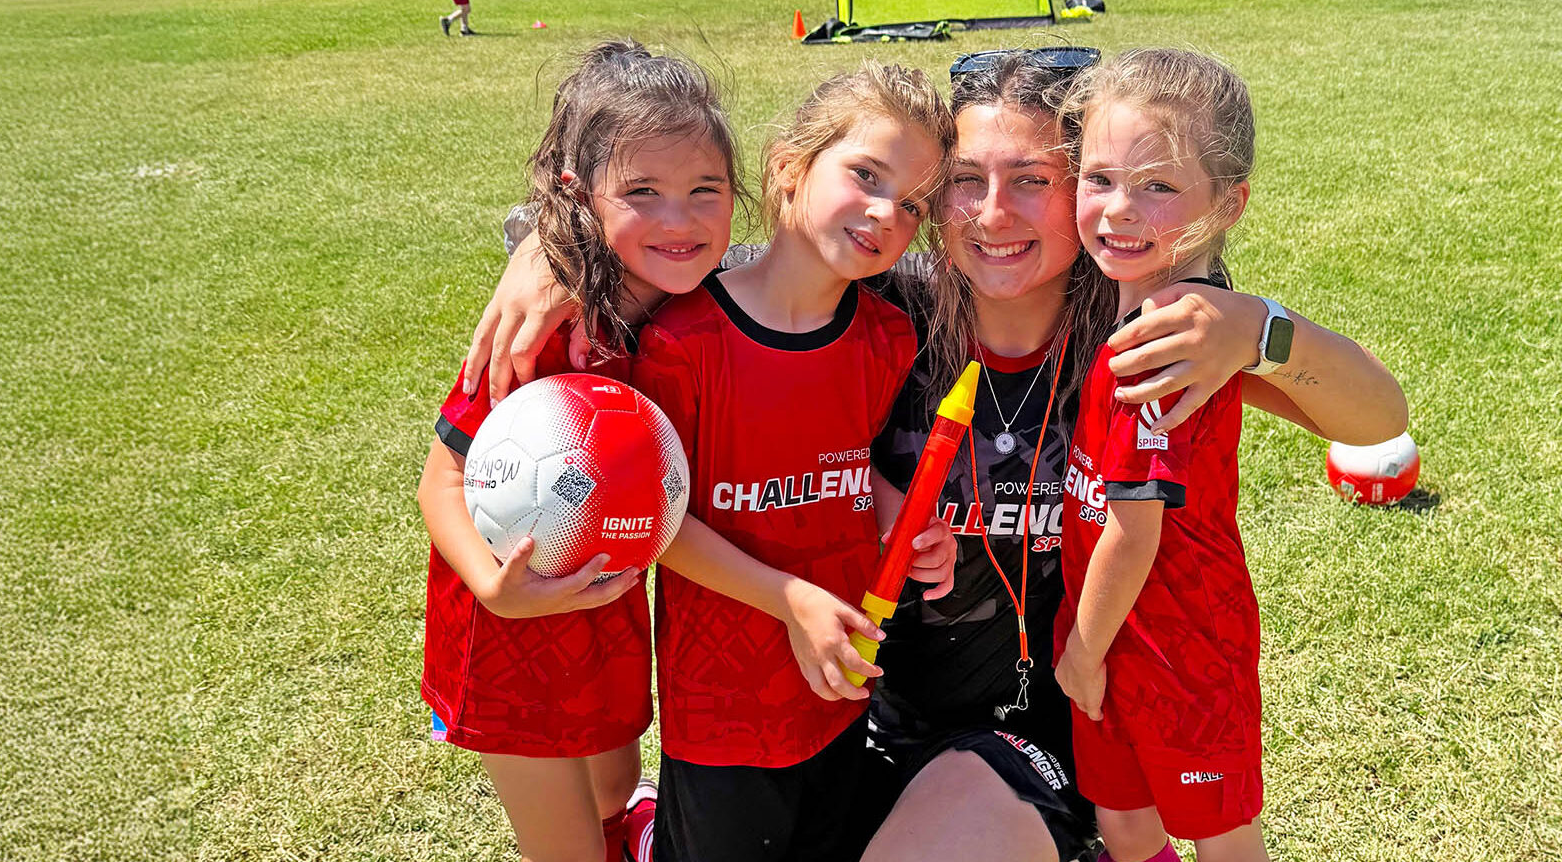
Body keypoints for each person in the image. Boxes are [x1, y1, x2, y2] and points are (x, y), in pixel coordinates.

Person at [462, 47, 1407, 862]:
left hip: (1029, 739)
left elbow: (1374, 423)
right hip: (846, 732)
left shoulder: (1142, 327)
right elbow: (708, 251)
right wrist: (548, 250)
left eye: (1034, 180)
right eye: (963, 181)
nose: (992, 214)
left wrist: (1260, 328)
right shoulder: (888, 304)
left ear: (1081, 187)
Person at [1052, 47, 1393, 862]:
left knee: (1225, 840)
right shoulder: (1150, 322)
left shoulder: (1167, 344)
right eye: (1098, 179)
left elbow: (1134, 533)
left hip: (1181, 650)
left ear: (1228, 203)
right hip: (1112, 631)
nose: (1118, 210)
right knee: (1126, 825)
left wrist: (1082, 650)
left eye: (1159, 186)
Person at [416, 39, 741, 862]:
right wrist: (496, 589)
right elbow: (442, 475)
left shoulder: (698, 303)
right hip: (509, 642)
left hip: (610, 616)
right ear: (580, 195)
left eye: (706, 189)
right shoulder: (542, 337)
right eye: (642, 193)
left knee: (613, 785)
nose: (680, 219)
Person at [630, 61, 958, 862]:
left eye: (913, 203)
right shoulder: (682, 341)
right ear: (787, 167)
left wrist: (905, 530)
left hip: (839, 690)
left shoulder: (887, 338)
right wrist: (787, 600)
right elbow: (656, 524)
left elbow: (850, 477)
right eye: (866, 174)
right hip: (723, 712)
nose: (886, 212)